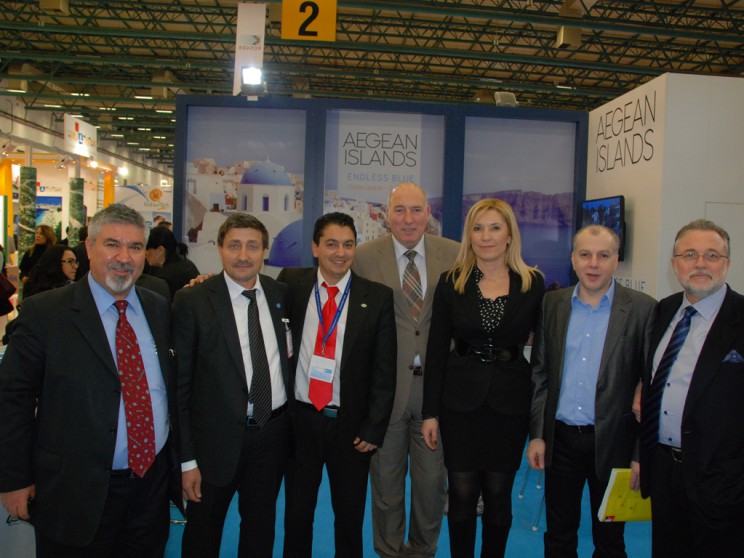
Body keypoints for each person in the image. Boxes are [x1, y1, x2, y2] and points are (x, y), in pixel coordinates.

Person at [0, 203, 178, 557]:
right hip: (74, 491)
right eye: (112, 244)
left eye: (135, 247)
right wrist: (14, 478)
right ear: (89, 247)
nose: (124, 257)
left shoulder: (158, 307)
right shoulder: (46, 312)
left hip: (149, 489)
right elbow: (12, 398)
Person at [421, 198, 545, 558]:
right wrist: (430, 412)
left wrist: (539, 424)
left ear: (509, 236)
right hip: (459, 403)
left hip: (510, 404)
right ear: (469, 236)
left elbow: (543, 357)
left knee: (498, 495)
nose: (486, 236)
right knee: (461, 495)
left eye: (494, 228)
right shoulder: (451, 282)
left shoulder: (532, 283)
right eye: (478, 228)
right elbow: (435, 351)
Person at [526, 225, 655, 558]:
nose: (593, 263)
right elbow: (540, 373)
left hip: (615, 440)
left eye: (603, 255)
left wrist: (640, 453)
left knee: (610, 540)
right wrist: (537, 435)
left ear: (616, 260)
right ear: (573, 259)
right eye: (585, 254)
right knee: (559, 536)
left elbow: (650, 386)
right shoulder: (552, 304)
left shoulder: (642, 309)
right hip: (562, 440)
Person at [174, 213, 293, 558]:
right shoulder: (193, 300)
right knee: (203, 534)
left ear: (264, 251)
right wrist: (186, 460)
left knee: (260, 531)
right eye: (234, 246)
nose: (243, 255)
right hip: (214, 443)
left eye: (252, 246)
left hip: (271, 436)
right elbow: (180, 387)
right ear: (220, 249)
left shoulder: (281, 294)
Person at [278, 212, 397, 558]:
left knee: (349, 517)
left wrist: (373, 428)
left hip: (351, 428)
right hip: (300, 422)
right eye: (331, 244)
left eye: (348, 244)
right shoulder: (290, 285)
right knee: (297, 514)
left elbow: (384, 371)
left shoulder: (376, 297)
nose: (340, 253)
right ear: (315, 247)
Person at [353, 182, 459, 558]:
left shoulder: (456, 254)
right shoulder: (363, 257)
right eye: (399, 210)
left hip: (435, 394)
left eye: (416, 210)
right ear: (387, 216)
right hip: (386, 393)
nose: (408, 219)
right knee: (386, 486)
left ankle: (423, 551)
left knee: (431, 488)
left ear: (428, 214)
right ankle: (389, 550)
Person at [639, 219, 744, 557]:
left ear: (727, 264)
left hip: (723, 483)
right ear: (675, 264)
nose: (700, 264)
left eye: (712, 255)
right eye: (690, 255)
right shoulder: (664, 310)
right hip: (664, 472)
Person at [145, 226, 200, 299]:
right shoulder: (184, 263)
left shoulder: (167, 277)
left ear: (160, 250)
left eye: (147, 250)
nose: (145, 255)